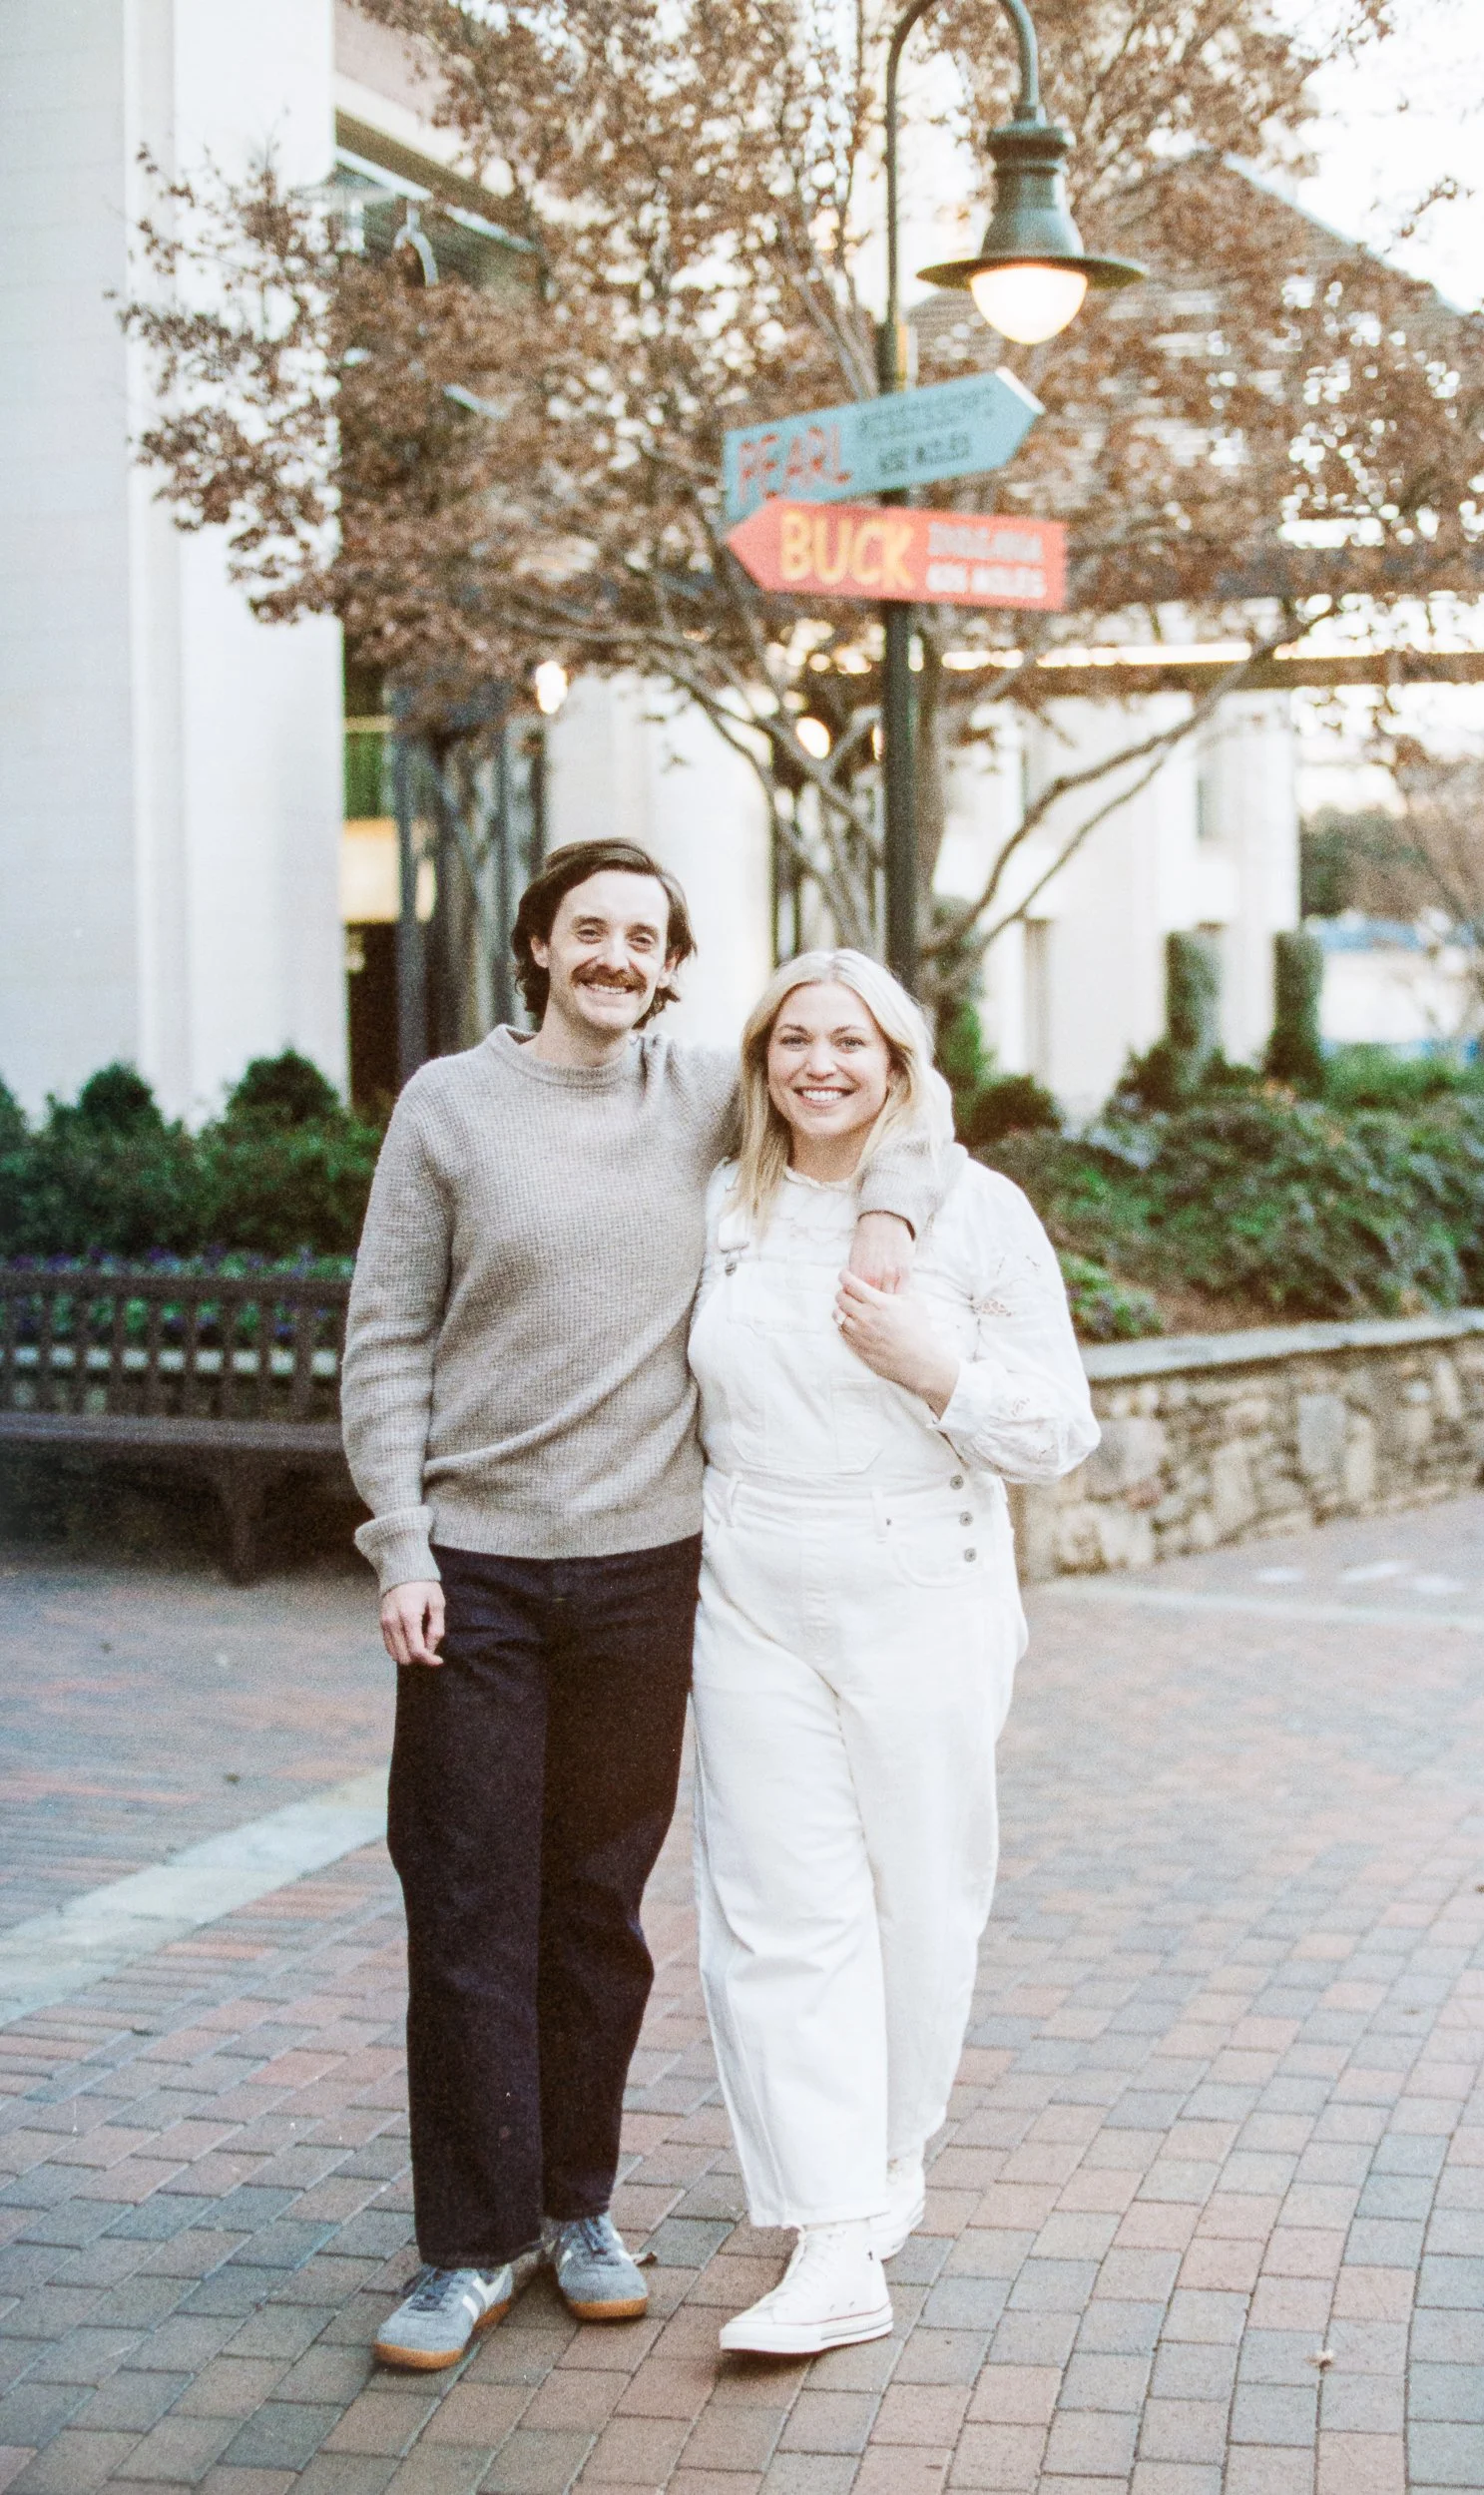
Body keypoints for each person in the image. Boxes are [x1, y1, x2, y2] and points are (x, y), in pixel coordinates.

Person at [341, 844, 952, 2371]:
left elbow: (892, 1112)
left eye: (644, 936)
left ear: (670, 963)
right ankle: (465, 2248)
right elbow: (385, 1340)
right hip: (474, 1570)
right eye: (589, 929)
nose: (615, 953)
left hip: (643, 1571)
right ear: (538, 943)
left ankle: (577, 2211)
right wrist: (401, 1544)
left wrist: (884, 1226)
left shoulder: (700, 1095)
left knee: (596, 1911)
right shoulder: (447, 1107)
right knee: (471, 1901)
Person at [687, 948, 1098, 2358]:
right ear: (758, 1062)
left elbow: (1057, 1432)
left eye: (848, 1042)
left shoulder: (974, 1215)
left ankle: (891, 2151)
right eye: (792, 1039)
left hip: (923, 1580)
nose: (818, 1064)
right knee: (774, 1906)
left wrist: (940, 1368)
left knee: (918, 1897)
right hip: (750, 1581)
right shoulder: (723, 1203)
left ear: (897, 1061)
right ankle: (828, 2233)